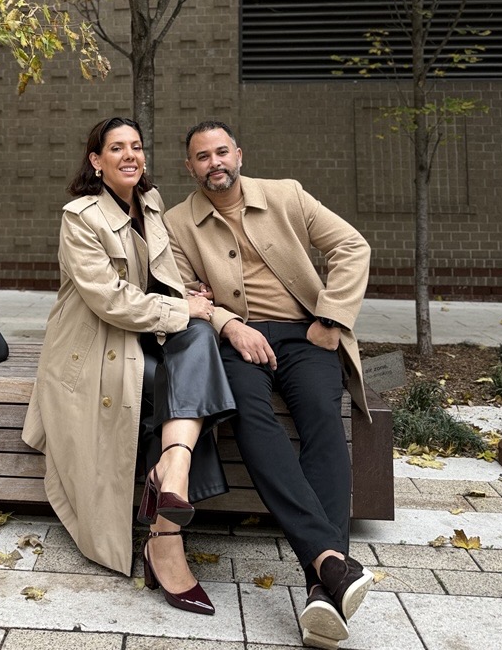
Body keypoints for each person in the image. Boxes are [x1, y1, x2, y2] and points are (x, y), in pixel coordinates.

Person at [164, 120, 374, 650]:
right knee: (250, 418)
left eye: (221, 152)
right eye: (202, 157)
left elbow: (352, 247)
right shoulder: (176, 224)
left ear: (239, 154)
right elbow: (188, 296)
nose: (215, 163)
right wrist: (229, 326)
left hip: (306, 334)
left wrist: (331, 319)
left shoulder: (287, 195)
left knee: (325, 419)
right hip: (236, 341)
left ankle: (320, 577)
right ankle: (332, 569)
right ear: (189, 167)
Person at [22, 116, 236, 615]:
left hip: (141, 334)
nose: (129, 155)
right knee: (185, 370)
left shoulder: (151, 204)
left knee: (199, 339)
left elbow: (158, 278)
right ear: (96, 162)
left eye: (136, 146)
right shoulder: (80, 217)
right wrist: (183, 310)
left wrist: (187, 298)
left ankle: (171, 484)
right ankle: (168, 530)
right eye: (116, 148)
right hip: (95, 345)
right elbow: (112, 300)